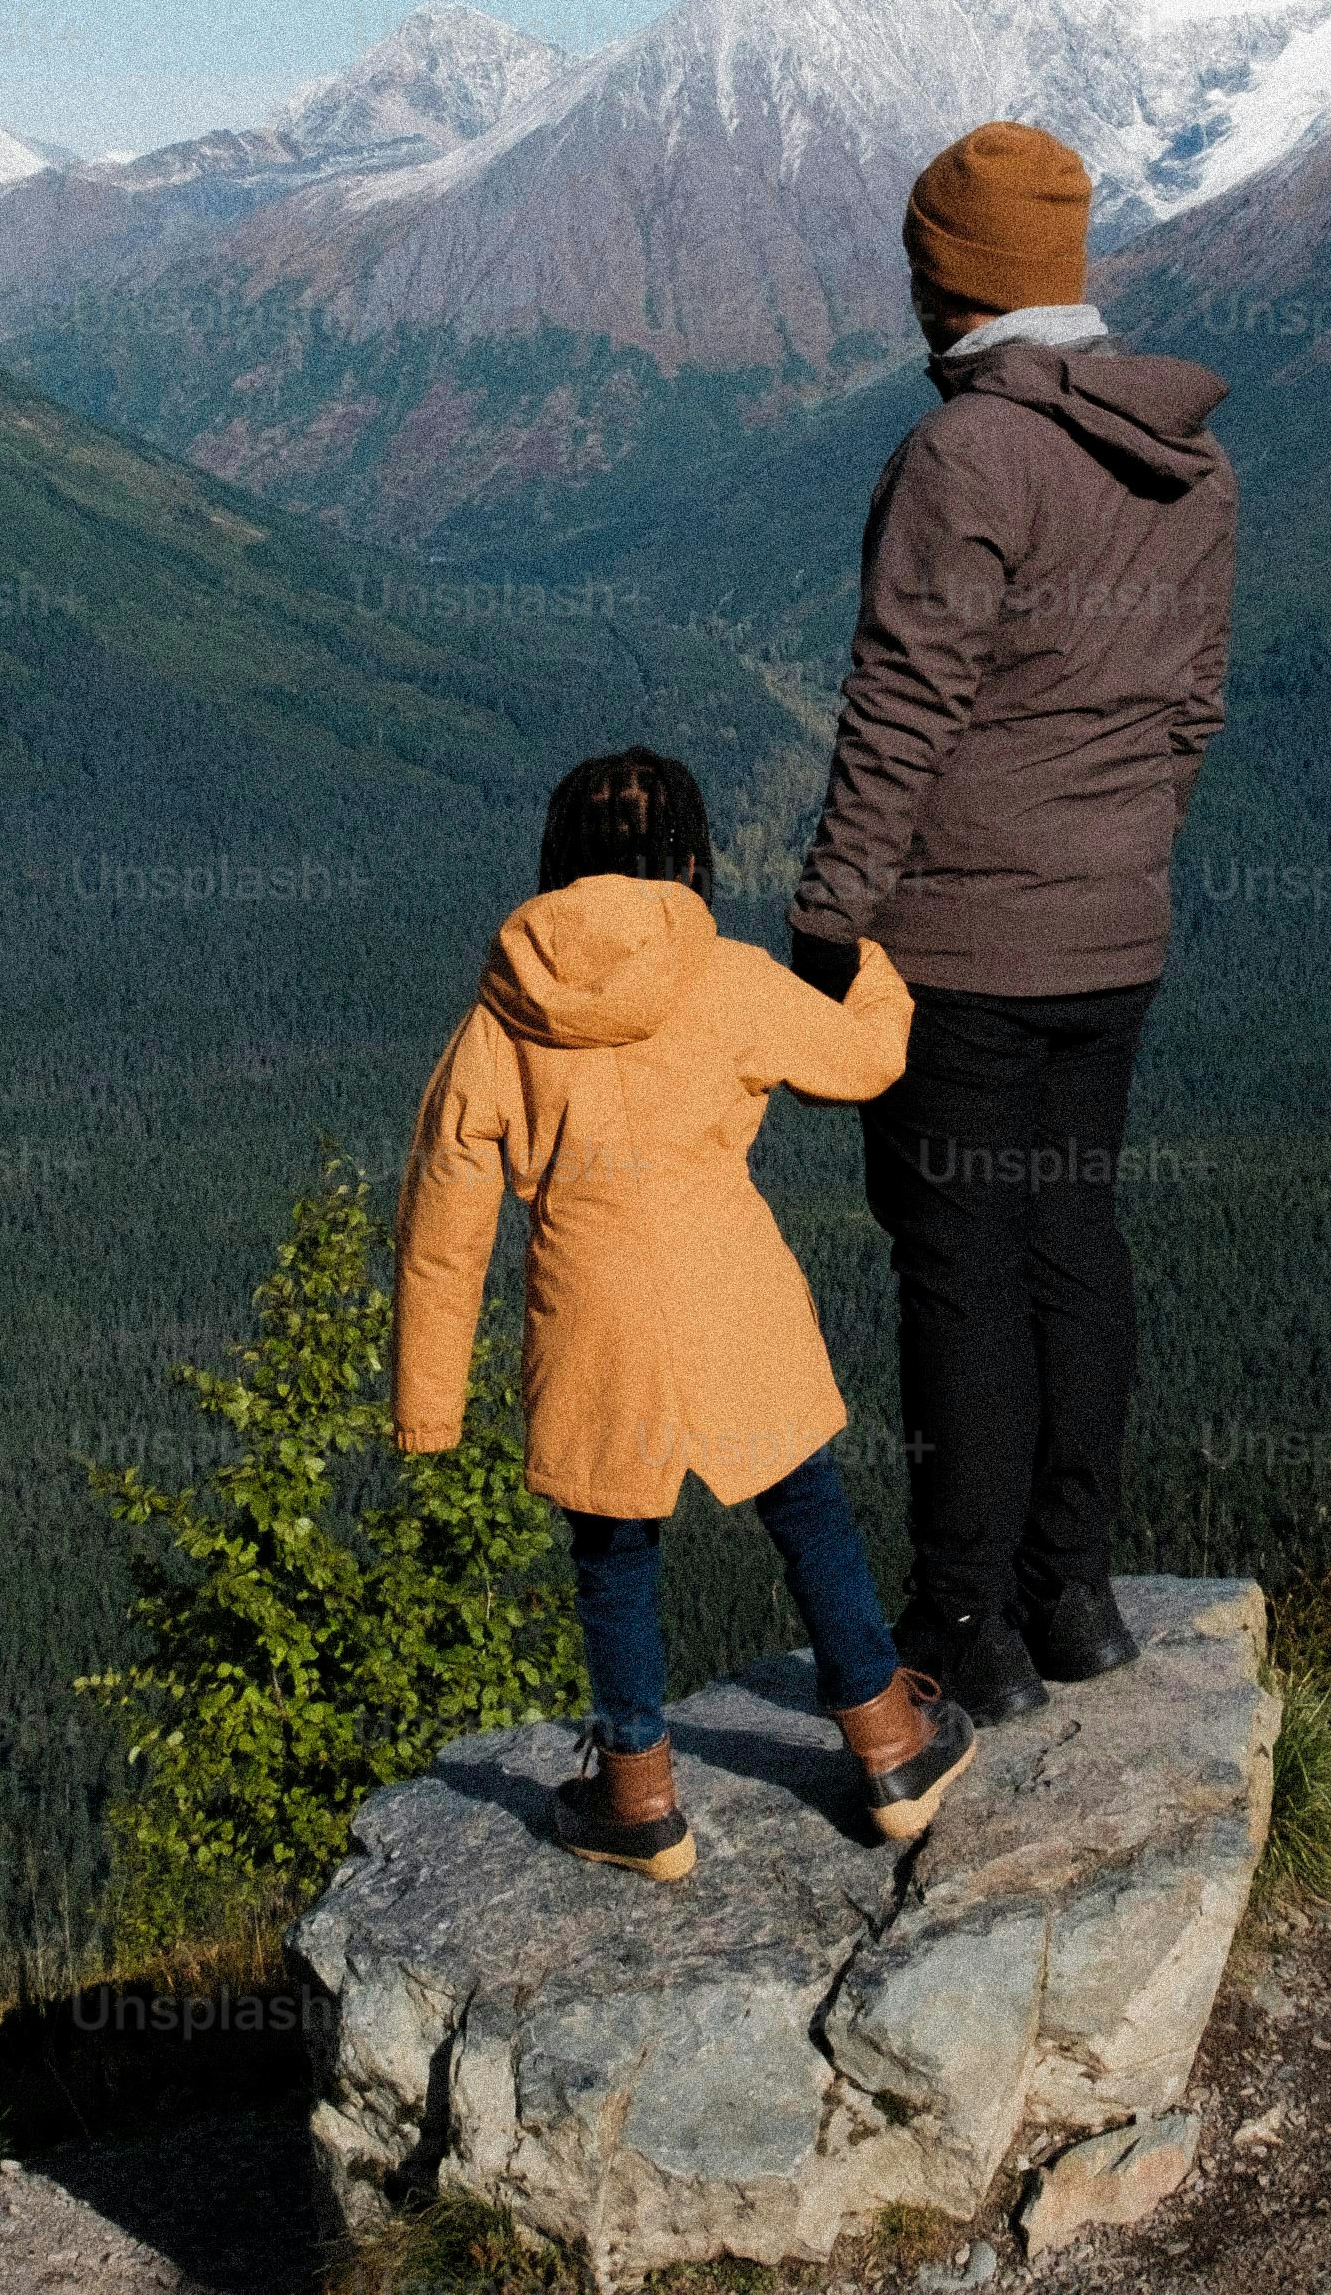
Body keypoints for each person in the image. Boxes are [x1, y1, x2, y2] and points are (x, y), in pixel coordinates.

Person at [781, 121, 1236, 1726]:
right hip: (1111, 938)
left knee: (959, 1268)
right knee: (1071, 1245)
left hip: (957, 949)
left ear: (946, 275)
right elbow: (1188, 710)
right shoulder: (1185, 458)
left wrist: (829, 920)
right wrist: (1114, 857)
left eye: (920, 263)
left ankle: (961, 1620)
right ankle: (1075, 1593)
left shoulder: (966, 458)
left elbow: (899, 705)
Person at [396, 747, 982, 1879]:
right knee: (809, 1513)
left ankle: (639, 1799)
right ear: (691, 858)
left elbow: (442, 1230)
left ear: (558, 859)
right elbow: (864, 1057)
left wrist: (429, 1409)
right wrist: (878, 964)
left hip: (592, 1323)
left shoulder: (500, 1020)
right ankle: (894, 1746)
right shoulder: (724, 974)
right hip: (735, 1295)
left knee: (614, 1556)